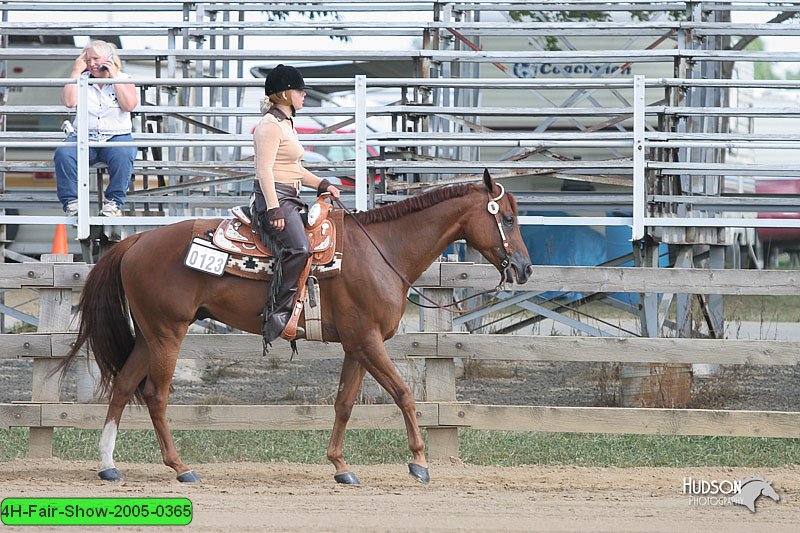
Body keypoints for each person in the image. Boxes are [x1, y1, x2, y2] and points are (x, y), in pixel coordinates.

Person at [252, 64, 340, 345]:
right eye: (299, 90)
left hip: (291, 195)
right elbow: (264, 170)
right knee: (298, 249)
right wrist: (273, 208)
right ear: (284, 94)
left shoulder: (285, 125)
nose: (303, 94)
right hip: (275, 198)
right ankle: (276, 316)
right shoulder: (268, 126)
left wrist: (322, 184)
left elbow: (296, 169)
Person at [54, 40, 138, 217]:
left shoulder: (124, 78)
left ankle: (114, 203)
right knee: (63, 153)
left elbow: (129, 105)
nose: (91, 64)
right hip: (84, 136)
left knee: (124, 153)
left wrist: (114, 77)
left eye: (95, 59)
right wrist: (76, 71)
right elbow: (69, 102)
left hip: (116, 135)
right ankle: (72, 203)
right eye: (87, 59)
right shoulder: (81, 79)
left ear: (108, 59)